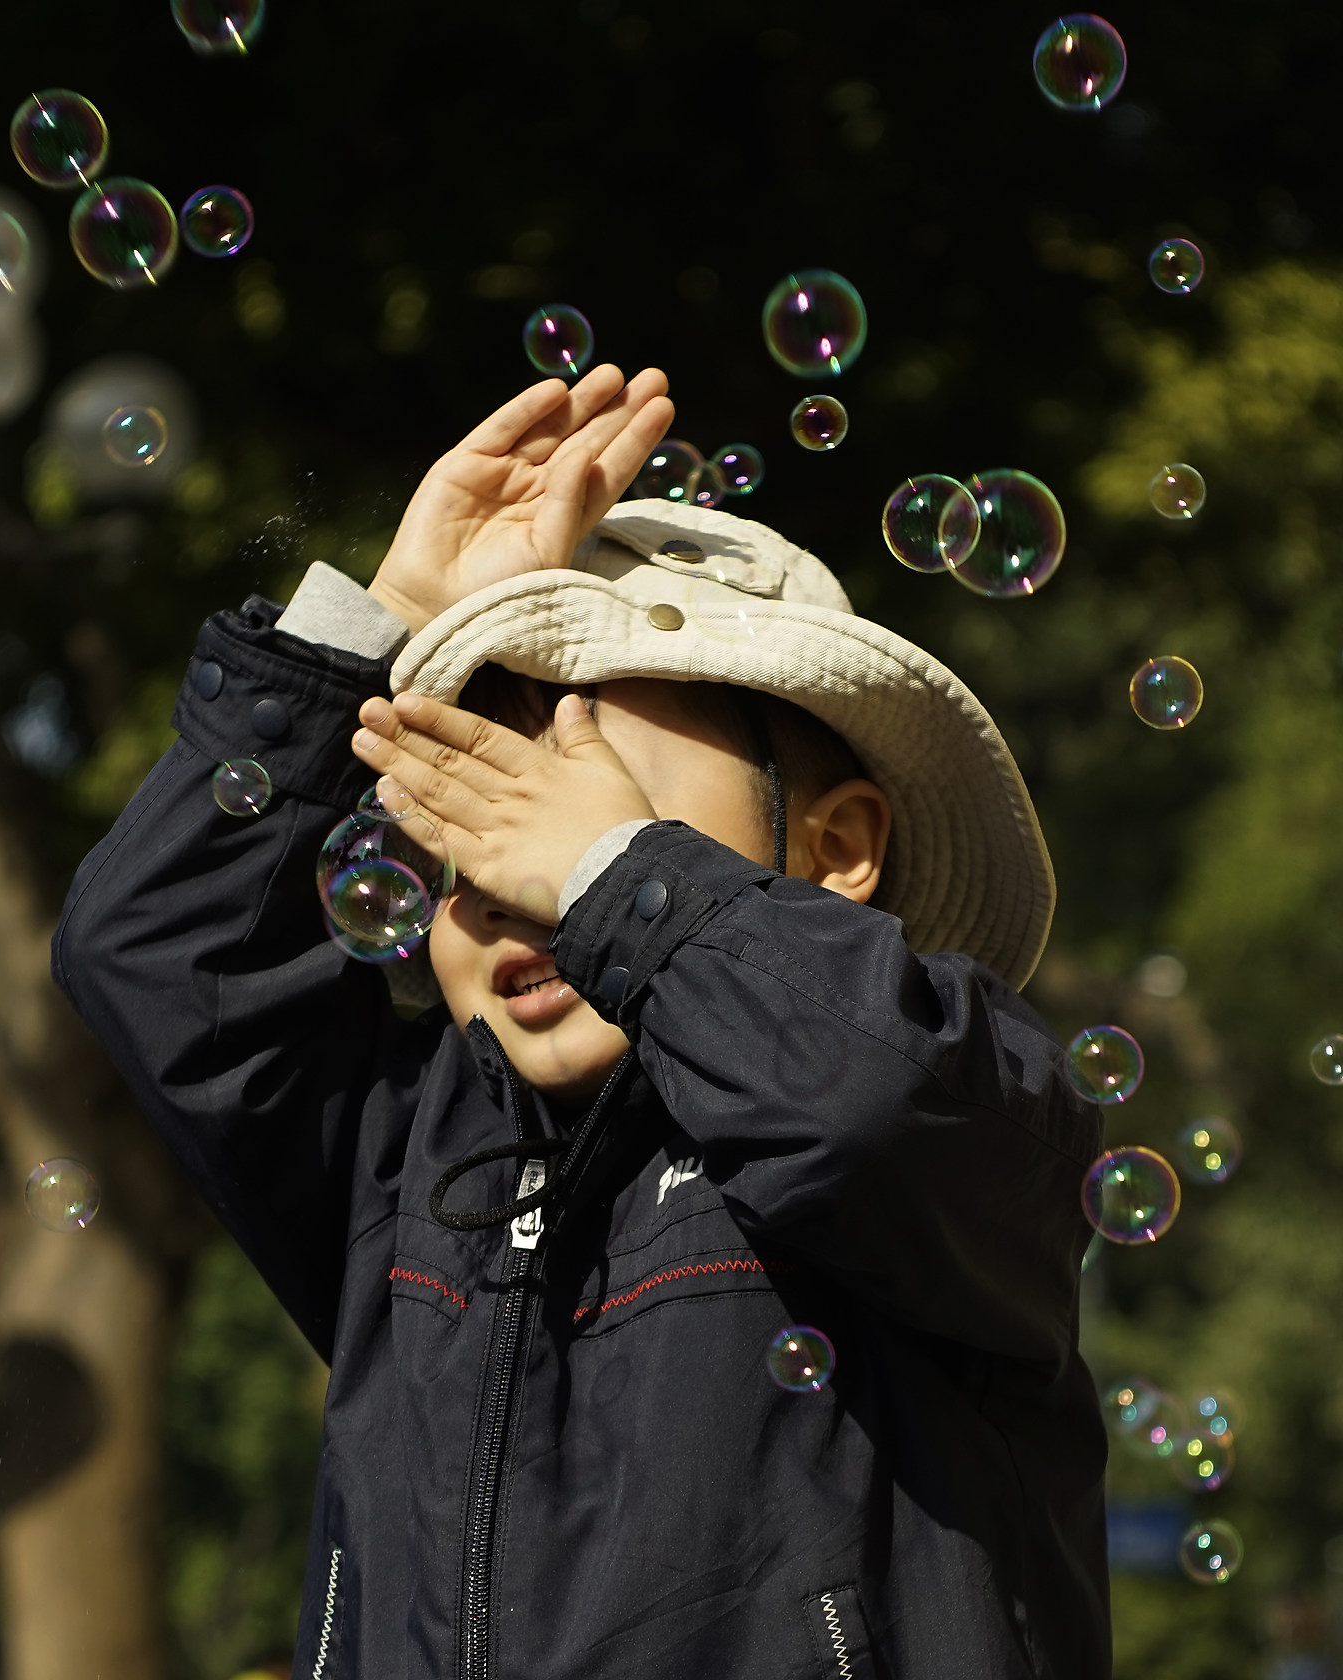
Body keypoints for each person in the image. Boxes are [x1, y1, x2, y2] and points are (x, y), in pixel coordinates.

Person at [55, 365, 1109, 1677]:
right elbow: (156, 952)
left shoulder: (947, 1092)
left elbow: (864, 1100)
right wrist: (388, 623)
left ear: (838, 848)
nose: (508, 883)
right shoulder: (410, 1171)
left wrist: (621, 886)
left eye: (573, 811)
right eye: (461, 831)